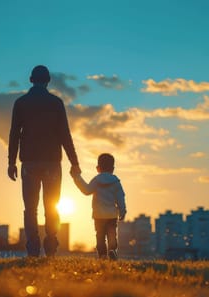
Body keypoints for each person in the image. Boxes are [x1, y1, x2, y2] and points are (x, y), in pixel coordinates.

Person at [8, 65, 81, 257]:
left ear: (31, 80)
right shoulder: (56, 103)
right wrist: (74, 162)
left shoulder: (21, 103)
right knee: (51, 206)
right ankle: (50, 245)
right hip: (52, 163)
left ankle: (33, 248)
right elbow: (65, 135)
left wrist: (11, 162)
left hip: (29, 163)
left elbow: (14, 135)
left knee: (30, 208)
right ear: (48, 81)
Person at [70, 153, 126, 260]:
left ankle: (102, 256)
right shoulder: (116, 182)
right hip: (112, 215)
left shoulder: (96, 180)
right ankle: (112, 251)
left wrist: (77, 177)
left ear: (98, 168)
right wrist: (122, 211)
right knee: (112, 236)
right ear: (113, 169)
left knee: (100, 237)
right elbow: (120, 198)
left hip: (98, 215)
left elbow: (86, 190)